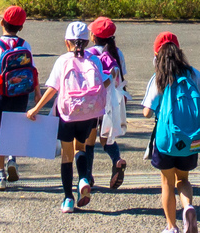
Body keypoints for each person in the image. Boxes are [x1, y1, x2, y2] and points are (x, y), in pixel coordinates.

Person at [27, 20, 110, 213]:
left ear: (67, 42)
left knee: (66, 155)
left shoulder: (62, 61)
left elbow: (52, 89)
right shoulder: (94, 60)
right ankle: (83, 179)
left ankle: (68, 199)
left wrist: (35, 109)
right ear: (86, 43)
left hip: (67, 114)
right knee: (80, 147)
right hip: (88, 114)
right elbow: (104, 84)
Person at [142, 32, 200, 233]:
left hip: (166, 140)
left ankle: (171, 226)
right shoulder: (192, 74)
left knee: (167, 182)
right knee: (182, 179)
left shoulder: (158, 78)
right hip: (191, 138)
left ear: (157, 55)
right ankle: (188, 207)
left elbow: (147, 112)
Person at [0, 5, 36, 191]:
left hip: (1, 95)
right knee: (14, 131)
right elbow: (32, 71)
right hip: (21, 96)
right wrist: (38, 94)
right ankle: (12, 159)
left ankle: (0, 176)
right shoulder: (25, 45)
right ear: (21, 27)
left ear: (2, 22)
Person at [89, 17, 130, 190]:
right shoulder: (117, 52)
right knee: (106, 137)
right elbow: (122, 77)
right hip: (113, 101)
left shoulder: (89, 53)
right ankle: (116, 160)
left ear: (93, 36)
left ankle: (87, 176)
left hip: (93, 101)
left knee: (89, 141)